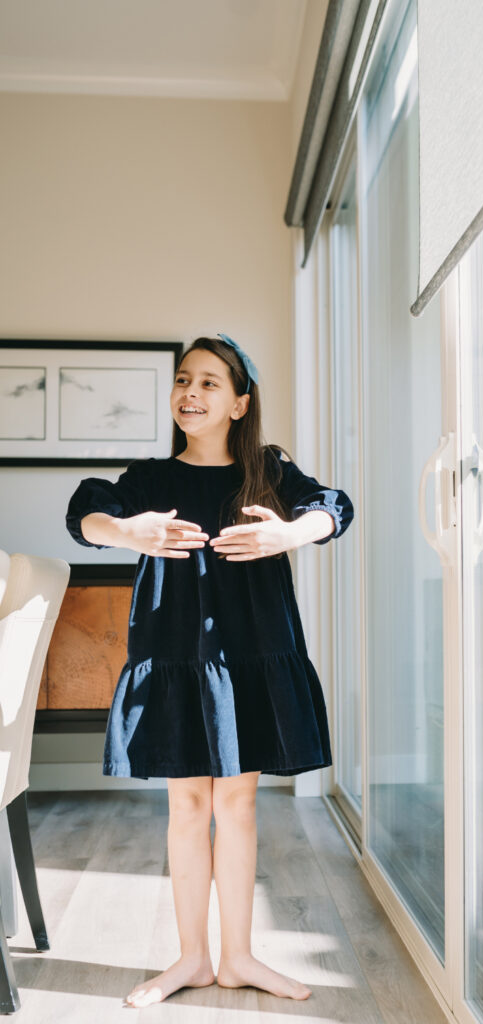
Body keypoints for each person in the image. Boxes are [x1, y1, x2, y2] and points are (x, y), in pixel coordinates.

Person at [65, 333, 354, 1007]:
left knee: (238, 805)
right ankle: (192, 958)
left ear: (239, 403)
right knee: (188, 806)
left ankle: (239, 957)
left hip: (250, 654)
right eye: (183, 380)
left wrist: (289, 533)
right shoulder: (151, 480)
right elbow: (85, 511)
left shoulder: (269, 471)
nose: (190, 392)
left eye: (208, 383)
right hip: (176, 656)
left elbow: (332, 506)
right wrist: (126, 532)